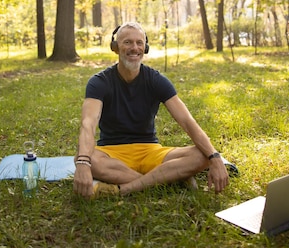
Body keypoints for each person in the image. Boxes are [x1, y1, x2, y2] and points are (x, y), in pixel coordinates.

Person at [73, 22, 229, 198]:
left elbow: (187, 121)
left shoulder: (156, 80)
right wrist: (83, 162)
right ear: (115, 47)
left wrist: (214, 157)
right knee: (83, 157)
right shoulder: (99, 82)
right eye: (127, 42)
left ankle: (124, 189)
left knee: (202, 156)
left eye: (139, 43)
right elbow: (88, 123)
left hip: (150, 151)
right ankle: (168, 180)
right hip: (112, 153)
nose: (135, 48)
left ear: (145, 48)